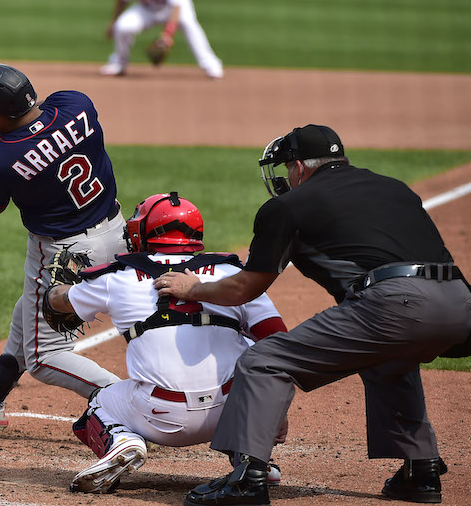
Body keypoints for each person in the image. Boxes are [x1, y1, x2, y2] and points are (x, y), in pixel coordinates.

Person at [155, 125, 471, 505]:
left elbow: (244, 289)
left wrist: (193, 289)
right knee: (389, 358)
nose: (286, 176)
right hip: (460, 303)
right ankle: (421, 470)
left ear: (299, 166)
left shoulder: (287, 207)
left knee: (264, 361)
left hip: (397, 304)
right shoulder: (394, 188)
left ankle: (247, 480)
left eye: (287, 169)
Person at [0, 63, 127, 430]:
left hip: (65, 256)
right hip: (116, 234)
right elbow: (40, 128)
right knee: (26, 314)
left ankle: (128, 400)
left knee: (45, 357)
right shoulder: (77, 103)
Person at [45, 192, 288, 494]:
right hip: (231, 412)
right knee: (251, 352)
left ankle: (123, 442)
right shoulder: (234, 274)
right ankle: (251, 458)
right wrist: (275, 410)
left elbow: (58, 303)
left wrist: (56, 288)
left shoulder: (116, 278)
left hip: (159, 419)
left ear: (145, 232)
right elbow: (280, 345)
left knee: (101, 402)